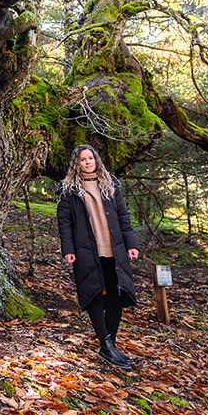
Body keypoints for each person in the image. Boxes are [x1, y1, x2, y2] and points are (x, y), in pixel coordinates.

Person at [56, 145, 140, 369]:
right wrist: (68, 249)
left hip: (115, 250)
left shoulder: (110, 184)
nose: (88, 162)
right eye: (82, 159)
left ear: (96, 160)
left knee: (116, 296)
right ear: (77, 163)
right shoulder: (69, 190)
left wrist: (131, 244)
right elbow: (64, 223)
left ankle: (110, 345)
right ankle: (105, 342)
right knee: (93, 294)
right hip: (87, 251)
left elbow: (123, 216)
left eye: (90, 158)